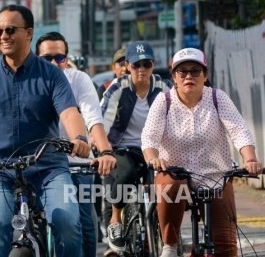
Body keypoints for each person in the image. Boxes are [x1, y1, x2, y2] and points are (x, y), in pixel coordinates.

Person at [0, 4, 91, 257]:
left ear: (29, 33)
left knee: (67, 225)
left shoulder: (52, 75)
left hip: (49, 169)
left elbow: (69, 112)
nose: (3, 36)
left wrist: (79, 138)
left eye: (10, 30)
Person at [141, 48, 263, 257]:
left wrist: (250, 158)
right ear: (174, 78)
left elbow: (239, 130)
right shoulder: (164, 101)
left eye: (195, 71)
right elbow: (149, 138)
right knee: (172, 184)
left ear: (205, 76)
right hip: (175, 174)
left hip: (215, 176)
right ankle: (169, 246)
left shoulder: (218, 98)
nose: (189, 76)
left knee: (226, 246)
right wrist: (153, 159)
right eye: (183, 72)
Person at [35, 31, 116, 256]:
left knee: (84, 220)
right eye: (47, 58)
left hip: (77, 162)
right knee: (29, 221)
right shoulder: (28, 80)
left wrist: (106, 151)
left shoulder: (79, 79)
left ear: (67, 60)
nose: (54, 63)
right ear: (36, 59)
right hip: (41, 163)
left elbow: (94, 120)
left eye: (59, 58)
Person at [100, 40, 172, 253]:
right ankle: (115, 220)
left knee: (170, 187)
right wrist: (104, 151)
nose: (141, 69)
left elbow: (176, 117)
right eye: (135, 65)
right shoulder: (117, 88)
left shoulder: (163, 87)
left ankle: (169, 239)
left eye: (146, 64)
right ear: (128, 66)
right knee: (126, 172)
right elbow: (102, 124)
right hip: (123, 148)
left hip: (156, 149)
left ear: (153, 65)